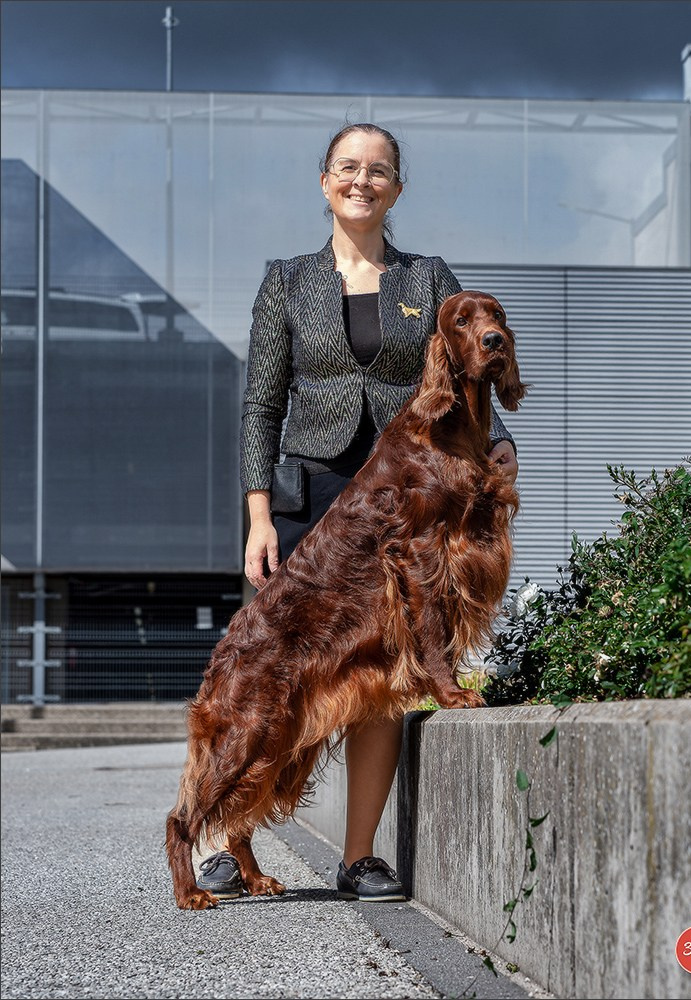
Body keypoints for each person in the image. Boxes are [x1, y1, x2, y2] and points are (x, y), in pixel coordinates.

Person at [195, 123, 519, 903]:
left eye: (379, 171)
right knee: (272, 675)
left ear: (397, 189)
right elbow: (262, 403)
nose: (362, 181)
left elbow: (469, 362)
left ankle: (360, 856)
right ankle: (231, 844)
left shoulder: (427, 275)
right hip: (312, 505)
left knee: (387, 672)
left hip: (407, 502)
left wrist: (500, 451)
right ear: (324, 181)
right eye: (349, 167)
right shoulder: (287, 281)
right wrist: (259, 514)